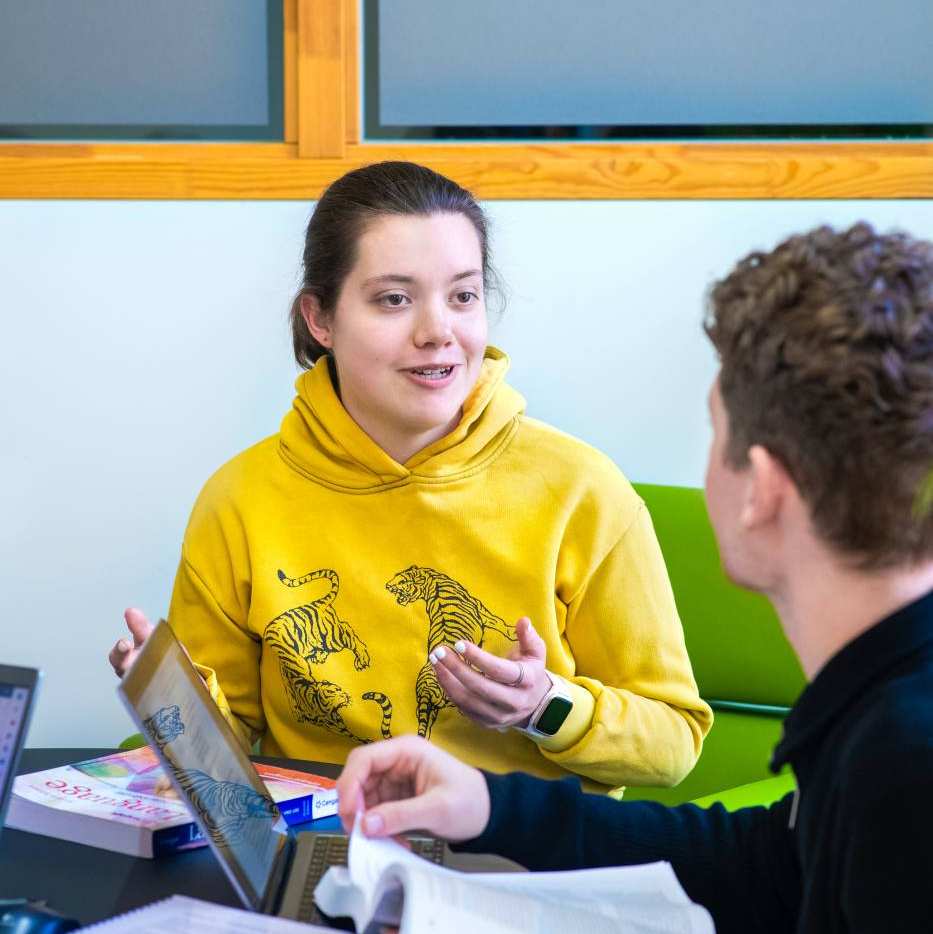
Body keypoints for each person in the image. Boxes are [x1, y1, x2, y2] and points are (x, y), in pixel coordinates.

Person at [334, 222, 933, 933]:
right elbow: (766, 866)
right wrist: (490, 808)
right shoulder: (880, 713)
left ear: (762, 487)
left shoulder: (906, 761)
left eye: (714, 432)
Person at [108, 161, 711, 792]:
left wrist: (543, 707)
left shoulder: (582, 489)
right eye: (394, 299)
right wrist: (164, 698)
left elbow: (672, 745)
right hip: (331, 856)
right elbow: (219, 761)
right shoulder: (239, 499)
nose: (438, 333)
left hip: (522, 863)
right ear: (321, 319)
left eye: (463, 296)